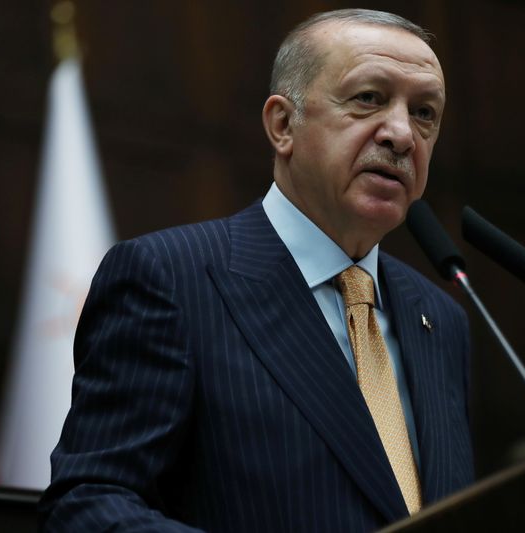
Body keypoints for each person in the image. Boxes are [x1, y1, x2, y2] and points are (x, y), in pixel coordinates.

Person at [39, 8, 474, 532]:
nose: (402, 134)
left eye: (425, 113)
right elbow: (89, 503)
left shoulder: (441, 319)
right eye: (369, 99)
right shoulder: (169, 278)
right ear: (283, 124)